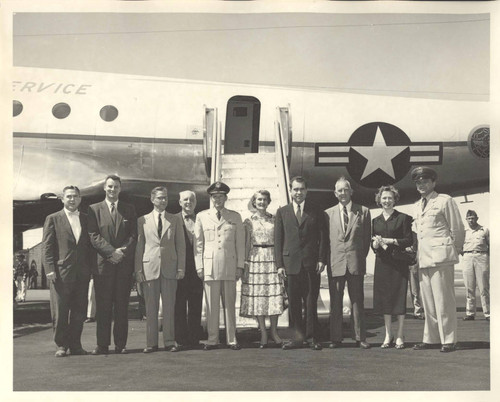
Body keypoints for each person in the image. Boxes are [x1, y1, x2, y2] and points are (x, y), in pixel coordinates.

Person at [411, 166, 465, 353]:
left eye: (425, 181)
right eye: (418, 182)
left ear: (433, 182)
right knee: (429, 302)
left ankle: (449, 339)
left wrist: (452, 251)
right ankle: (432, 338)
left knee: (444, 301)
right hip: (424, 258)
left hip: (441, 258)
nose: (421, 185)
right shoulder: (417, 205)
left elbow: (457, 229)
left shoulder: (444, 201)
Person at [275, 176, 327, 351]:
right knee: (294, 303)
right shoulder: (282, 212)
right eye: (295, 189)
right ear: (290, 191)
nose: (298, 192)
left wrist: (321, 259)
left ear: (306, 191)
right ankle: (297, 338)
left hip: (311, 264)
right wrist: (279, 265)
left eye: (302, 189)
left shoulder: (317, 211)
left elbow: (323, 238)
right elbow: (278, 241)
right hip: (290, 265)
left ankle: (313, 338)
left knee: (311, 302)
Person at [88, 175, 137, 355]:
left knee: (122, 306)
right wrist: (111, 252)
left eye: (116, 187)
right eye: (109, 186)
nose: (112, 189)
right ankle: (102, 345)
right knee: (103, 306)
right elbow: (93, 235)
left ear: (120, 189)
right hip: (103, 266)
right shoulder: (94, 209)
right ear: (104, 188)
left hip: (123, 265)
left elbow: (133, 235)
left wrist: (121, 252)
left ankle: (120, 344)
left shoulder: (129, 209)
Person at [42, 185, 92, 357]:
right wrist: (49, 269)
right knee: (60, 311)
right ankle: (61, 345)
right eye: (69, 196)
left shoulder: (86, 218)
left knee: (79, 311)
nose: (72, 199)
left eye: (75, 196)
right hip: (61, 272)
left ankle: (76, 345)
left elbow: (89, 246)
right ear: (62, 199)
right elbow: (47, 247)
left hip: (82, 273)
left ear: (80, 199)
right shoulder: (53, 218)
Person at [194, 181, 245, 351]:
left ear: (226, 198)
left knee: (230, 304)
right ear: (211, 198)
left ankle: (232, 338)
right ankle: (212, 338)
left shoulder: (235, 216)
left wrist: (240, 266)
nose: (217, 199)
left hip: (229, 265)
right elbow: (198, 244)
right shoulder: (201, 216)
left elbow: (240, 244)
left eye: (221, 196)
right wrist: (199, 266)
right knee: (211, 305)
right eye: (215, 197)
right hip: (209, 267)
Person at [135, 186, 186, 353]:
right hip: (149, 267)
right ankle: (151, 343)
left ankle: (170, 341)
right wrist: (138, 271)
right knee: (150, 308)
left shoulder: (175, 220)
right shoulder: (142, 220)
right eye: (159, 198)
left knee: (170, 307)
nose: (163, 201)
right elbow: (139, 246)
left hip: (170, 268)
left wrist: (181, 267)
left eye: (165, 198)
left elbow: (181, 245)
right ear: (152, 199)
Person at [325, 177, 371, 349]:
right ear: (335, 193)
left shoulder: (363, 211)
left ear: (351, 192)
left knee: (357, 301)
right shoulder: (327, 214)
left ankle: (360, 337)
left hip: (355, 262)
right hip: (336, 263)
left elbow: (365, 240)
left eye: (346, 190)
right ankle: (335, 338)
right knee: (335, 302)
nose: (343, 193)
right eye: (339, 190)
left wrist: (358, 257)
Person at [371, 185, 413, 349]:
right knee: (385, 300)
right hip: (382, 263)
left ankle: (400, 333)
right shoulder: (375, 221)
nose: (387, 201)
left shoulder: (403, 218)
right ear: (379, 200)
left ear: (395, 199)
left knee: (398, 298)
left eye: (390, 198)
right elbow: (372, 244)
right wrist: (375, 244)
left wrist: (391, 241)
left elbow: (408, 240)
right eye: (384, 198)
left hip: (398, 263)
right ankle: (388, 334)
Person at [240, 190, 284, 348]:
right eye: (259, 199)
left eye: (265, 199)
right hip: (255, 259)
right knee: (258, 297)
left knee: (273, 296)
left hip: (271, 258)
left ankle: (274, 331)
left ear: (268, 201)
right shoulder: (248, 222)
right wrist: (244, 263)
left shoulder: (275, 220)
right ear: (254, 201)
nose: (262, 202)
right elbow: (245, 244)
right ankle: (263, 333)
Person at [175, 190, 204, 349]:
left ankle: (194, 339)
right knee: (179, 305)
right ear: (180, 202)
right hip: (180, 268)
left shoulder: (202, 218)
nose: (188, 202)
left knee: (196, 304)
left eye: (191, 200)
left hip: (197, 268)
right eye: (185, 200)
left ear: (195, 202)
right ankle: (180, 340)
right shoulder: (173, 220)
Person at [461, 210, 489, 321]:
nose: (471, 220)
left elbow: (490, 245)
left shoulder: (484, 230)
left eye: (473, 218)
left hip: (481, 257)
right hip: (467, 257)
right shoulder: (464, 232)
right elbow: (459, 246)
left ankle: (488, 313)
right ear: (466, 219)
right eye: (469, 218)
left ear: (477, 218)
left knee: (484, 287)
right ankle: (470, 313)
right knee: (469, 287)